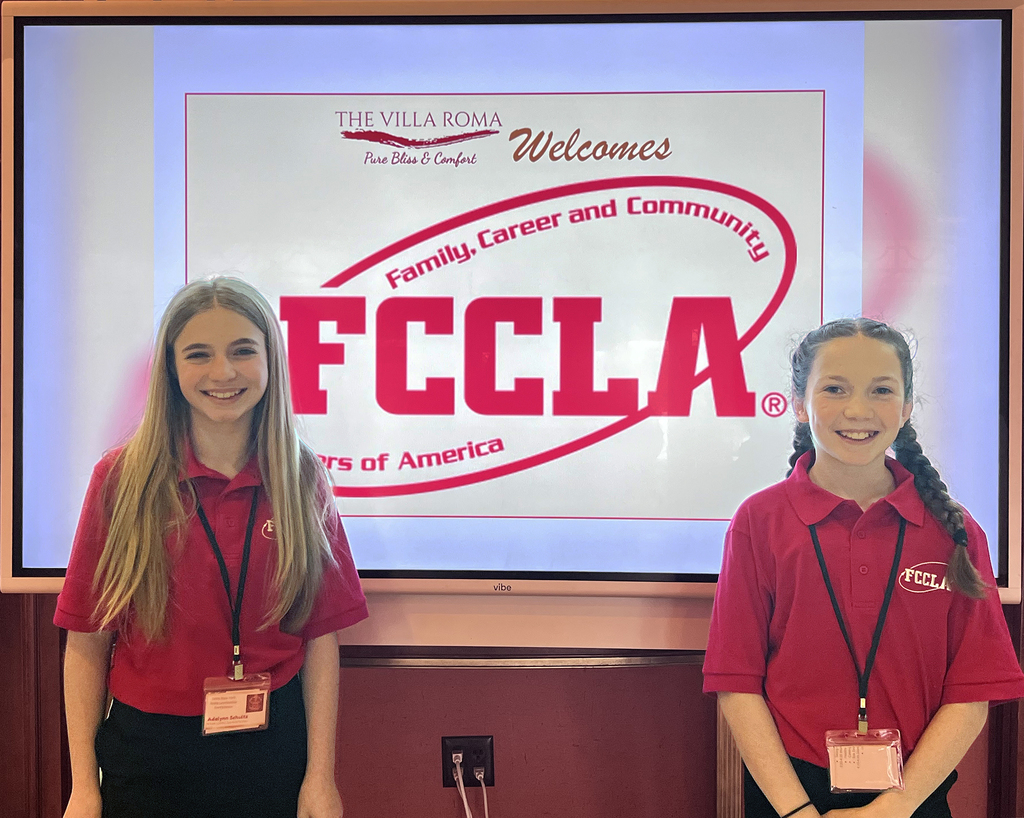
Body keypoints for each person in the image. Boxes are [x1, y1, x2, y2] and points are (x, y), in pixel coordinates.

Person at [56, 277, 368, 818]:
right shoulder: (121, 480)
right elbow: (86, 643)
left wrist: (321, 778)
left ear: (271, 361)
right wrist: (84, 787)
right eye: (198, 354)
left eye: (243, 351)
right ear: (172, 371)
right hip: (147, 750)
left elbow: (321, 641)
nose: (223, 373)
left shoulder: (301, 479)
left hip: (273, 746)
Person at [703, 318, 1024, 818]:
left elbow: (971, 694)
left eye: (881, 390)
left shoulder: (955, 531)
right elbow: (737, 683)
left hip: (914, 793)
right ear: (799, 401)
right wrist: (795, 811)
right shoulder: (758, 522)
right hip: (790, 794)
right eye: (834, 388)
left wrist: (893, 810)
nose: (857, 410)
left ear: (907, 404)